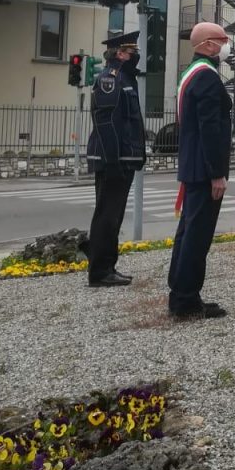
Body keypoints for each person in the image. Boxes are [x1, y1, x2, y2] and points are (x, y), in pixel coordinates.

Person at [167, 22, 234, 320]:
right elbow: (210, 128)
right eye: (223, 40)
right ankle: (187, 300)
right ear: (208, 44)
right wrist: (217, 172)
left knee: (187, 232)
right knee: (197, 235)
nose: (227, 46)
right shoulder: (206, 77)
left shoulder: (190, 74)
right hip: (204, 168)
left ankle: (180, 292)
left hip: (192, 164)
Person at [85, 30, 146, 288]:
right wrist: (112, 162)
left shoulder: (123, 78)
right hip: (114, 160)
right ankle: (100, 271)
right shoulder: (111, 80)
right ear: (120, 53)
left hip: (122, 158)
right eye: (132, 53)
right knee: (107, 215)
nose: (136, 57)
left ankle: (107, 266)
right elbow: (108, 123)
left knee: (114, 215)